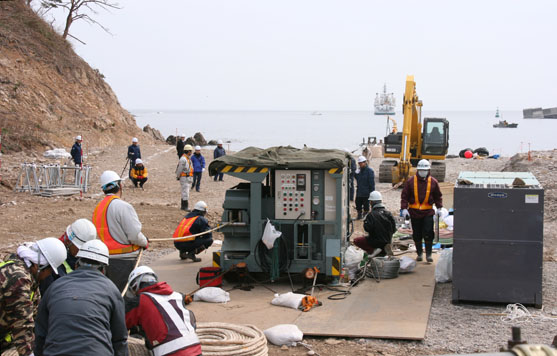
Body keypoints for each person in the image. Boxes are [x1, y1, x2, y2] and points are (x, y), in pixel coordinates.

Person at [34, 240, 128, 356]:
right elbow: (119, 340)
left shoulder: (55, 287)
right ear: (103, 270)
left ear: (76, 265)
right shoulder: (112, 290)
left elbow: (40, 334)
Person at [1, 238, 66, 356]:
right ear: (39, 266)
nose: (48, 275)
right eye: (50, 271)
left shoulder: (26, 274)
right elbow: (22, 326)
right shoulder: (18, 280)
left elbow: (36, 317)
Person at [125, 266, 201, 356]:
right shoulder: (177, 296)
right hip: (196, 349)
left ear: (135, 285)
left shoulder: (139, 301)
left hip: (169, 353)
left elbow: (120, 325)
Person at [93, 170, 149, 292]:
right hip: (125, 259)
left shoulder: (98, 208)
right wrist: (145, 242)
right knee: (127, 295)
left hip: (106, 259)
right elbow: (134, 235)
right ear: (120, 186)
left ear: (103, 190)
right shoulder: (123, 206)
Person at [39, 218, 98, 295]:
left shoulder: (77, 256)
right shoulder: (50, 262)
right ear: (68, 242)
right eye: (79, 249)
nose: (82, 253)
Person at [400, 159, 443, 262]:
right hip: (414, 212)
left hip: (428, 212)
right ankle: (419, 253)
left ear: (428, 170)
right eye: (421, 170)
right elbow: (405, 196)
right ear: (418, 170)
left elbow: (438, 196)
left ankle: (428, 255)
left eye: (425, 170)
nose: (422, 172)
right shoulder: (411, 181)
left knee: (428, 232)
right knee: (417, 234)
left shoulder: (433, 182)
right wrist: (404, 208)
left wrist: (439, 207)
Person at [354, 191, 396, 257]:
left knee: (357, 240)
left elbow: (367, 229)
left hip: (375, 242)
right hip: (387, 240)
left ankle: (373, 250)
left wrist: (365, 222)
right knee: (381, 242)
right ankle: (383, 250)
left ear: (371, 202)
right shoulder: (388, 213)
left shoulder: (371, 215)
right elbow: (394, 229)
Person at [354, 155, 375, 220]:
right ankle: (359, 215)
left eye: (361, 163)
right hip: (359, 191)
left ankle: (365, 215)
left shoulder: (369, 171)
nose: (360, 164)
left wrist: (372, 193)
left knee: (366, 205)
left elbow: (372, 183)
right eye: (359, 163)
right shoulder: (359, 171)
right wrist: (356, 174)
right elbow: (357, 179)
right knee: (358, 203)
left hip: (366, 192)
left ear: (365, 162)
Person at [176, 144, 194, 211]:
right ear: (188, 151)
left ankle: (184, 206)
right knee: (185, 192)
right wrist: (178, 176)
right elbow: (179, 169)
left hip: (187, 177)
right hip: (184, 177)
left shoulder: (186, 158)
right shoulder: (183, 159)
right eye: (190, 151)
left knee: (186, 191)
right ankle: (184, 206)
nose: (191, 153)